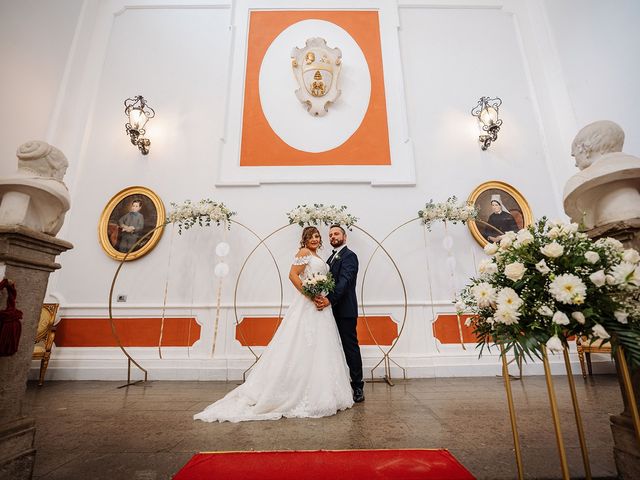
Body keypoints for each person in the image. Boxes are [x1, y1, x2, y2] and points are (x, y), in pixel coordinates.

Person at [194, 226, 353, 423]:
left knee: (321, 347)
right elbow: (293, 275)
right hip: (308, 304)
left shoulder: (320, 255)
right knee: (301, 344)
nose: (315, 239)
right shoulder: (304, 253)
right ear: (304, 239)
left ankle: (323, 389)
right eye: (311, 236)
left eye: (317, 236)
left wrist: (322, 294)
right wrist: (310, 294)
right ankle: (293, 390)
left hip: (322, 307)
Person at [314, 225, 364, 403]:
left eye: (336, 233)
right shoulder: (331, 257)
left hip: (345, 311)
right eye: (330, 235)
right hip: (329, 311)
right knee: (331, 349)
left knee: (350, 348)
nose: (333, 237)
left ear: (345, 237)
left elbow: (345, 281)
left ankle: (358, 386)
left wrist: (330, 300)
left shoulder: (350, 256)